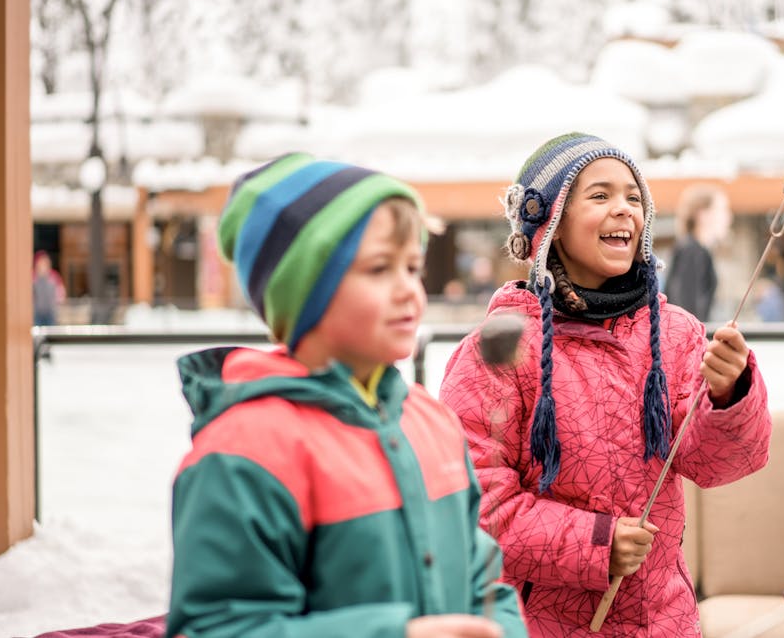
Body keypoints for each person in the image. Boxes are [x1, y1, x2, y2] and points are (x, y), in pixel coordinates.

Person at [167, 153, 527, 638]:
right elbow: (218, 627)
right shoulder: (242, 453)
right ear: (303, 291)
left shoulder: (432, 423)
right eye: (379, 269)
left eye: (413, 267)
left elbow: (483, 577)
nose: (409, 292)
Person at [439, 133, 772, 637]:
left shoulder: (676, 332)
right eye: (600, 195)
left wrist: (729, 394)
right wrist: (595, 543)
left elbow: (716, 464)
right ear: (550, 222)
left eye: (634, 198)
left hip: (664, 621)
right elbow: (472, 510)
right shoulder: (498, 351)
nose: (624, 210)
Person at [662, 184, 732, 321]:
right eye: (722, 210)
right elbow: (686, 310)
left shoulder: (694, 249)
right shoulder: (692, 251)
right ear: (702, 214)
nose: (728, 217)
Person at [32, 250, 65, 325]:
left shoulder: (54, 276)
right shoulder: (33, 276)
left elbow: (60, 291)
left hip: (51, 312)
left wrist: (58, 302)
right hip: (37, 312)